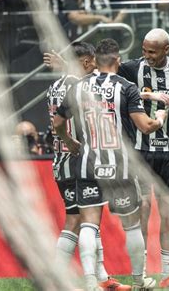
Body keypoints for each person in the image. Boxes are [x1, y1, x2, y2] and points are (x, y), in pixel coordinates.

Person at [54, 38, 166, 290]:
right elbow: (145, 126)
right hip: (120, 165)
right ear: (117, 60)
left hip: (87, 164)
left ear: (95, 61)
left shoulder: (79, 86)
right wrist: (159, 117)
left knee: (89, 224)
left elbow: (58, 123)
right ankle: (139, 280)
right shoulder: (126, 87)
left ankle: (91, 283)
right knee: (131, 224)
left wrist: (70, 142)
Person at [45, 41, 131, 290]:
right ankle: (58, 276)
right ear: (85, 62)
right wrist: (72, 142)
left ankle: (102, 277)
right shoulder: (79, 85)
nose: (96, 66)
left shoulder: (56, 85)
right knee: (76, 220)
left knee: (88, 220)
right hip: (75, 158)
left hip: (61, 160)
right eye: (93, 61)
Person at [117, 28, 169, 288]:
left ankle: (168, 275)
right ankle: (140, 275)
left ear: (166, 49)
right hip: (140, 151)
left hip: (168, 152)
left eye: (152, 51)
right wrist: (149, 95)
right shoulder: (130, 69)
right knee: (142, 212)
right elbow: (105, 81)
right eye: (144, 50)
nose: (146, 55)